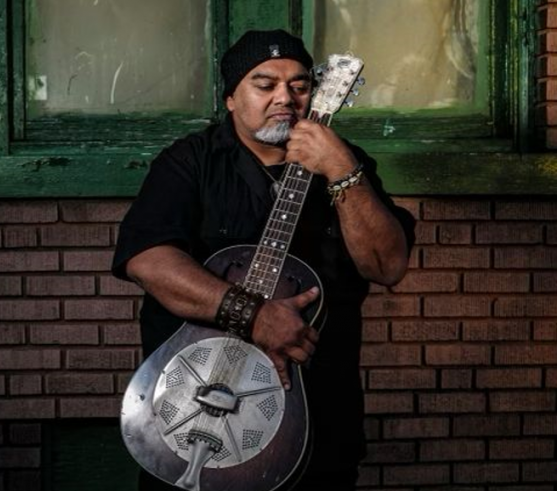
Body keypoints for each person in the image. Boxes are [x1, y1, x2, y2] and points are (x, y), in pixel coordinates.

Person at [112, 30, 415, 491]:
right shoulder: (190, 162)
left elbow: (387, 266)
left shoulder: (349, 164)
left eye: (299, 85)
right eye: (265, 84)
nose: (285, 98)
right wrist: (253, 314)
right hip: (192, 408)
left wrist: (342, 171)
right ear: (231, 98)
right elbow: (147, 259)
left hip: (317, 420)